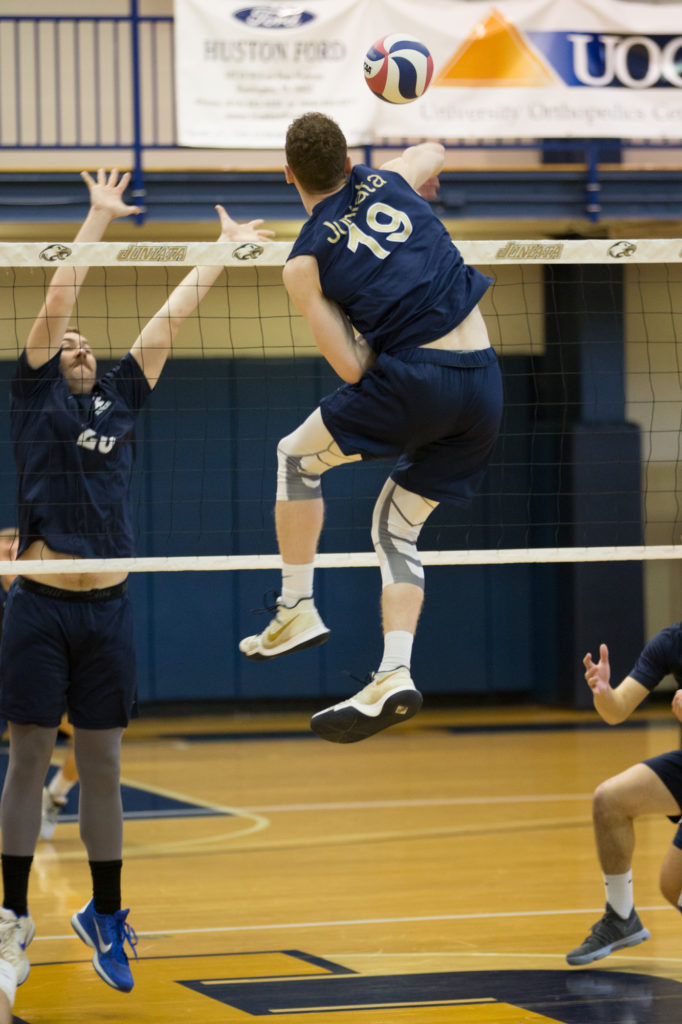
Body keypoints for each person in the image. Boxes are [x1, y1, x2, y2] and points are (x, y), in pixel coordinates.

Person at [0, 168, 273, 992]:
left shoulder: (119, 399)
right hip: (40, 608)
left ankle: (105, 913)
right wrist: (97, 217)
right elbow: (57, 298)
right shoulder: (33, 397)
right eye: (70, 345)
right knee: (26, 761)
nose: (78, 347)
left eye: (86, 344)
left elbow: (168, 318)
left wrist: (221, 253)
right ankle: (12, 917)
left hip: (109, 610)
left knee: (106, 766)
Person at [239, 112, 502, 744]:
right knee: (395, 530)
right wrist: (419, 177)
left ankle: (297, 606)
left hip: (418, 379)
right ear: (350, 159)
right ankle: (394, 673)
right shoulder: (394, 179)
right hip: (485, 387)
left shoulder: (303, 261)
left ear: (288, 175)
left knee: (295, 460)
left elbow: (355, 368)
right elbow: (432, 147)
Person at [566, 632, 682, 965]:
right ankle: (620, 918)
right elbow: (616, 711)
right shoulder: (672, 642)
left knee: (671, 885)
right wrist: (603, 693)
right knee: (610, 799)